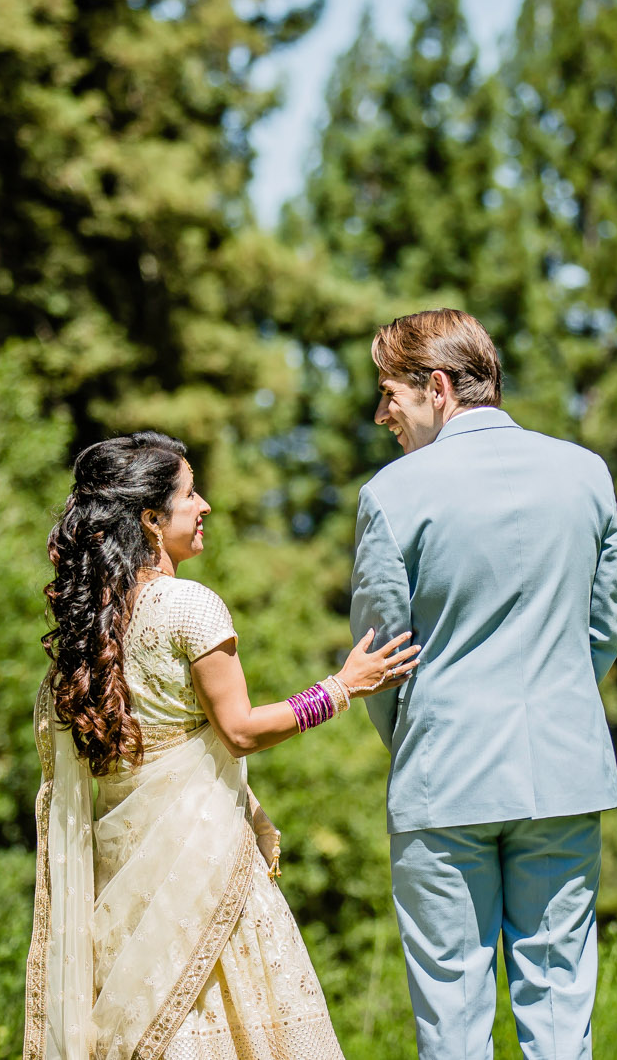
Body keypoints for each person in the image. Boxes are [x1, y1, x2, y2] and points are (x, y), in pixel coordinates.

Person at [24, 431, 419, 1060]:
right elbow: (239, 731)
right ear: (151, 520)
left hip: (121, 882)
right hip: (202, 872)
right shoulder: (189, 607)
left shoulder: (89, 631)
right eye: (189, 494)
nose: (205, 504)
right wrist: (339, 689)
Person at [349, 310, 617, 1060]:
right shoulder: (585, 473)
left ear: (436, 388)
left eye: (388, 395)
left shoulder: (392, 493)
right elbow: (600, 631)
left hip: (443, 775)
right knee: (560, 1003)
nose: (382, 415)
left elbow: (379, 660)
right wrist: (552, 696)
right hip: (562, 772)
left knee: (453, 1017)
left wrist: (419, 736)